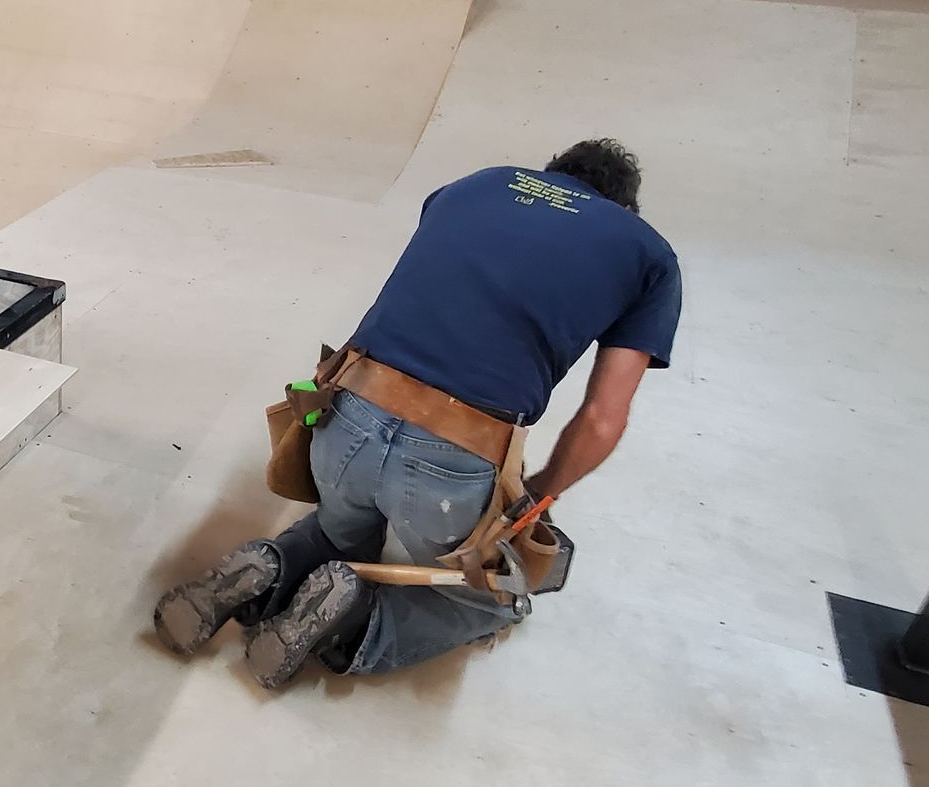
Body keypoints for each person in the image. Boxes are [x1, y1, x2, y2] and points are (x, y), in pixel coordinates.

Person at [155, 140, 681, 688]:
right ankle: (357, 621)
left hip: (342, 417)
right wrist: (533, 499)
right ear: (623, 210)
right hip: (451, 464)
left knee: (343, 532)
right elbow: (602, 419)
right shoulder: (648, 255)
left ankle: (271, 567)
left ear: (549, 174)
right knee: (493, 592)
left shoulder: (481, 182)